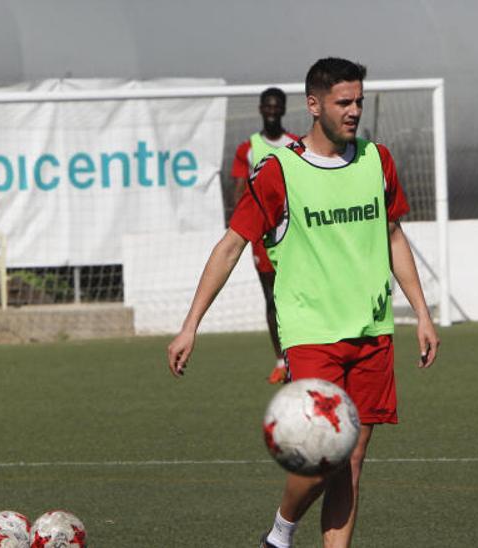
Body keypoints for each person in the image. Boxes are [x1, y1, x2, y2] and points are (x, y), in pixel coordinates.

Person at [167, 57, 439, 548]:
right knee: (321, 459)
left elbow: (394, 235)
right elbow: (230, 245)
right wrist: (191, 325)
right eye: (343, 102)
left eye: (358, 100)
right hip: (311, 335)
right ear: (314, 105)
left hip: (373, 332)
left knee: (351, 462)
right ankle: (280, 533)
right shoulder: (279, 171)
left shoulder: (378, 160)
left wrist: (421, 313)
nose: (354, 110)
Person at [230, 87, 301, 384]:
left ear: (282, 109)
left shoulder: (296, 145)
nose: (272, 111)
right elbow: (238, 191)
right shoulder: (248, 148)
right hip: (263, 235)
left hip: (294, 234)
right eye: (267, 107)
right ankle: (280, 361)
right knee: (272, 298)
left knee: (296, 296)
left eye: (277, 107)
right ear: (261, 109)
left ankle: (300, 355)